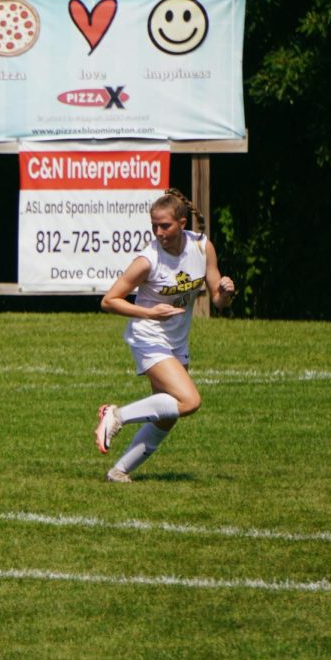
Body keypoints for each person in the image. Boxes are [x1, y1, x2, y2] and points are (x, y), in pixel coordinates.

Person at [93, 187, 236, 482]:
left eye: (165, 225)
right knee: (189, 401)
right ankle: (116, 415)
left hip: (176, 341)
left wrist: (226, 292)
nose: (158, 232)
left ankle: (118, 473)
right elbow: (109, 300)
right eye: (154, 225)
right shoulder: (148, 260)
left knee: (169, 414)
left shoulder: (201, 247)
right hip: (148, 336)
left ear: (182, 224)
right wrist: (149, 312)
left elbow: (219, 301)